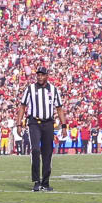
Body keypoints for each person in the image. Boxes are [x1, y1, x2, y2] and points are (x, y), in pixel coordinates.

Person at [21, 64, 62, 192]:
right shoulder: (30, 89)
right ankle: (36, 181)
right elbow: (22, 106)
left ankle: (45, 181)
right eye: (38, 75)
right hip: (34, 122)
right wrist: (18, 123)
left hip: (49, 123)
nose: (39, 77)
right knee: (35, 150)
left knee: (47, 152)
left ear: (47, 76)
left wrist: (64, 125)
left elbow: (59, 108)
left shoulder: (54, 90)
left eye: (42, 74)